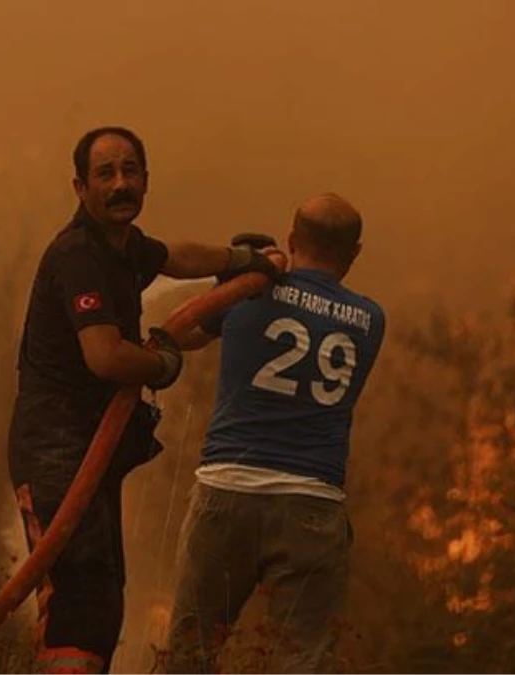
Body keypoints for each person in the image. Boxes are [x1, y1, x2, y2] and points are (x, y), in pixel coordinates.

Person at [7, 126, 283, 675]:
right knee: (79, 601)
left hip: (90, 450)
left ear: (146, 180)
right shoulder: (78, 257)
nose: (120, 184)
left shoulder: (124, 246)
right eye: (105, 173)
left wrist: (239, 261)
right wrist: (162, 362)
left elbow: (174, 257)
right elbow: (105, 357)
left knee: (103, 596)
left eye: (130, 171)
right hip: (56, 453)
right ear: (80, 187)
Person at [163, 193, 386, 674]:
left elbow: (177, 336)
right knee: (300, 661)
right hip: (313, 502)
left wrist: (241, 275)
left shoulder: (250, 293)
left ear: (290, 238)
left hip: (227, 490)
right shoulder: (372, 319)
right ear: (355, 253)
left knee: (188, 652)